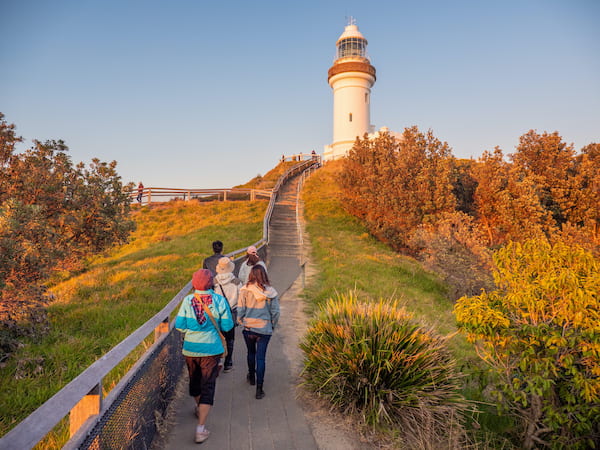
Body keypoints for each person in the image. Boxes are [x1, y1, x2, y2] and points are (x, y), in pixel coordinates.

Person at [175, 269, 234, 443]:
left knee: (195, 381)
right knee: (208, 385)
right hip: (212, 350)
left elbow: (179, 325)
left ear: (194, 283)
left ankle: (198, 405)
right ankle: (200, 429)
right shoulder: (219, 300)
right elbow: (227, 325)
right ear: (211, 283)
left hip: (191, 349)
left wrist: (193, 333)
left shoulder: (187, 300)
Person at [238, 264, 280, 399]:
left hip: (249, 327)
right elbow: (276, 312)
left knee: (251, 353)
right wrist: (272, 325)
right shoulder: (271, 292)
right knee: (261, 358)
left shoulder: (244, 290)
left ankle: (251, 376)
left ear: (251, 275)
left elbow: (240, 309)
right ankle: (259, 389)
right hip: (264, 328)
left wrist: (240, 321)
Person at [213, 256, 242, 372]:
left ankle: (218, 359)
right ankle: (228, 363)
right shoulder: (237, 282)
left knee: (219, 336)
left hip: (217, 312)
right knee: (230, 338)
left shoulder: (214, 282)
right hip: (231, 311)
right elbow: (241, 297)